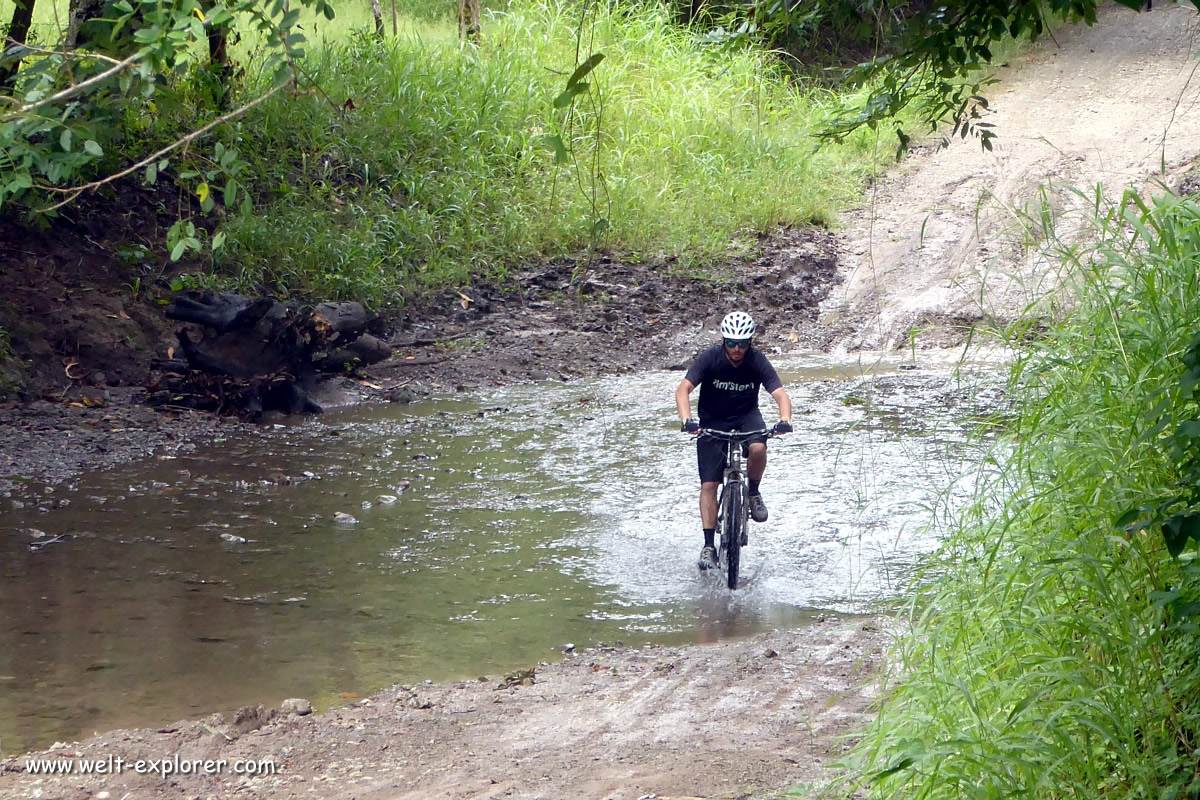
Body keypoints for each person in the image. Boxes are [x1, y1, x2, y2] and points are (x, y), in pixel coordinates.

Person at [674, 311, 792, 571]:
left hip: (746, 417)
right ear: (723, 341)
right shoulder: (710, 358)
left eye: (742, 344)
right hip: (712, 421)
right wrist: (687, 420)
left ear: (750, 342)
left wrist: (784, 420)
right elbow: (683, 390)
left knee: (759, 446)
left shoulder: (757, 360)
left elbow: (780, 393)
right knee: (709, 484)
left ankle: (752, 493)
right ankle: (708, 546)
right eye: (731, 343)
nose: (737, 349)